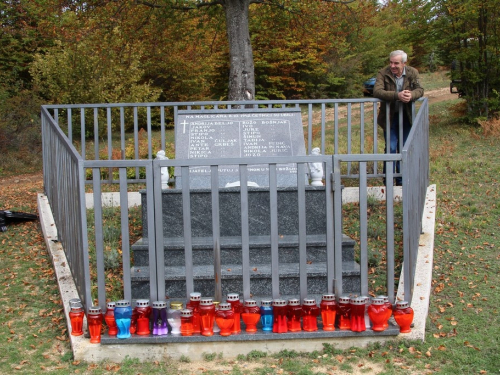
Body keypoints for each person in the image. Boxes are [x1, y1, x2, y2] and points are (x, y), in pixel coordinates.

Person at [373, 50, 424, 186]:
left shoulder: (412, 72)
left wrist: (411, 95)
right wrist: (397, 95)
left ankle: (402, 181)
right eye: (391, 62)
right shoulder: (383, 73)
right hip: (389, 117)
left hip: (407, 116)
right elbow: (377, 91)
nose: (392, 66)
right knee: (390, 147)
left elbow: (420, 89)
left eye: (396, 63)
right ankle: (388, 180)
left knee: (404, 148)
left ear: (404, 63)